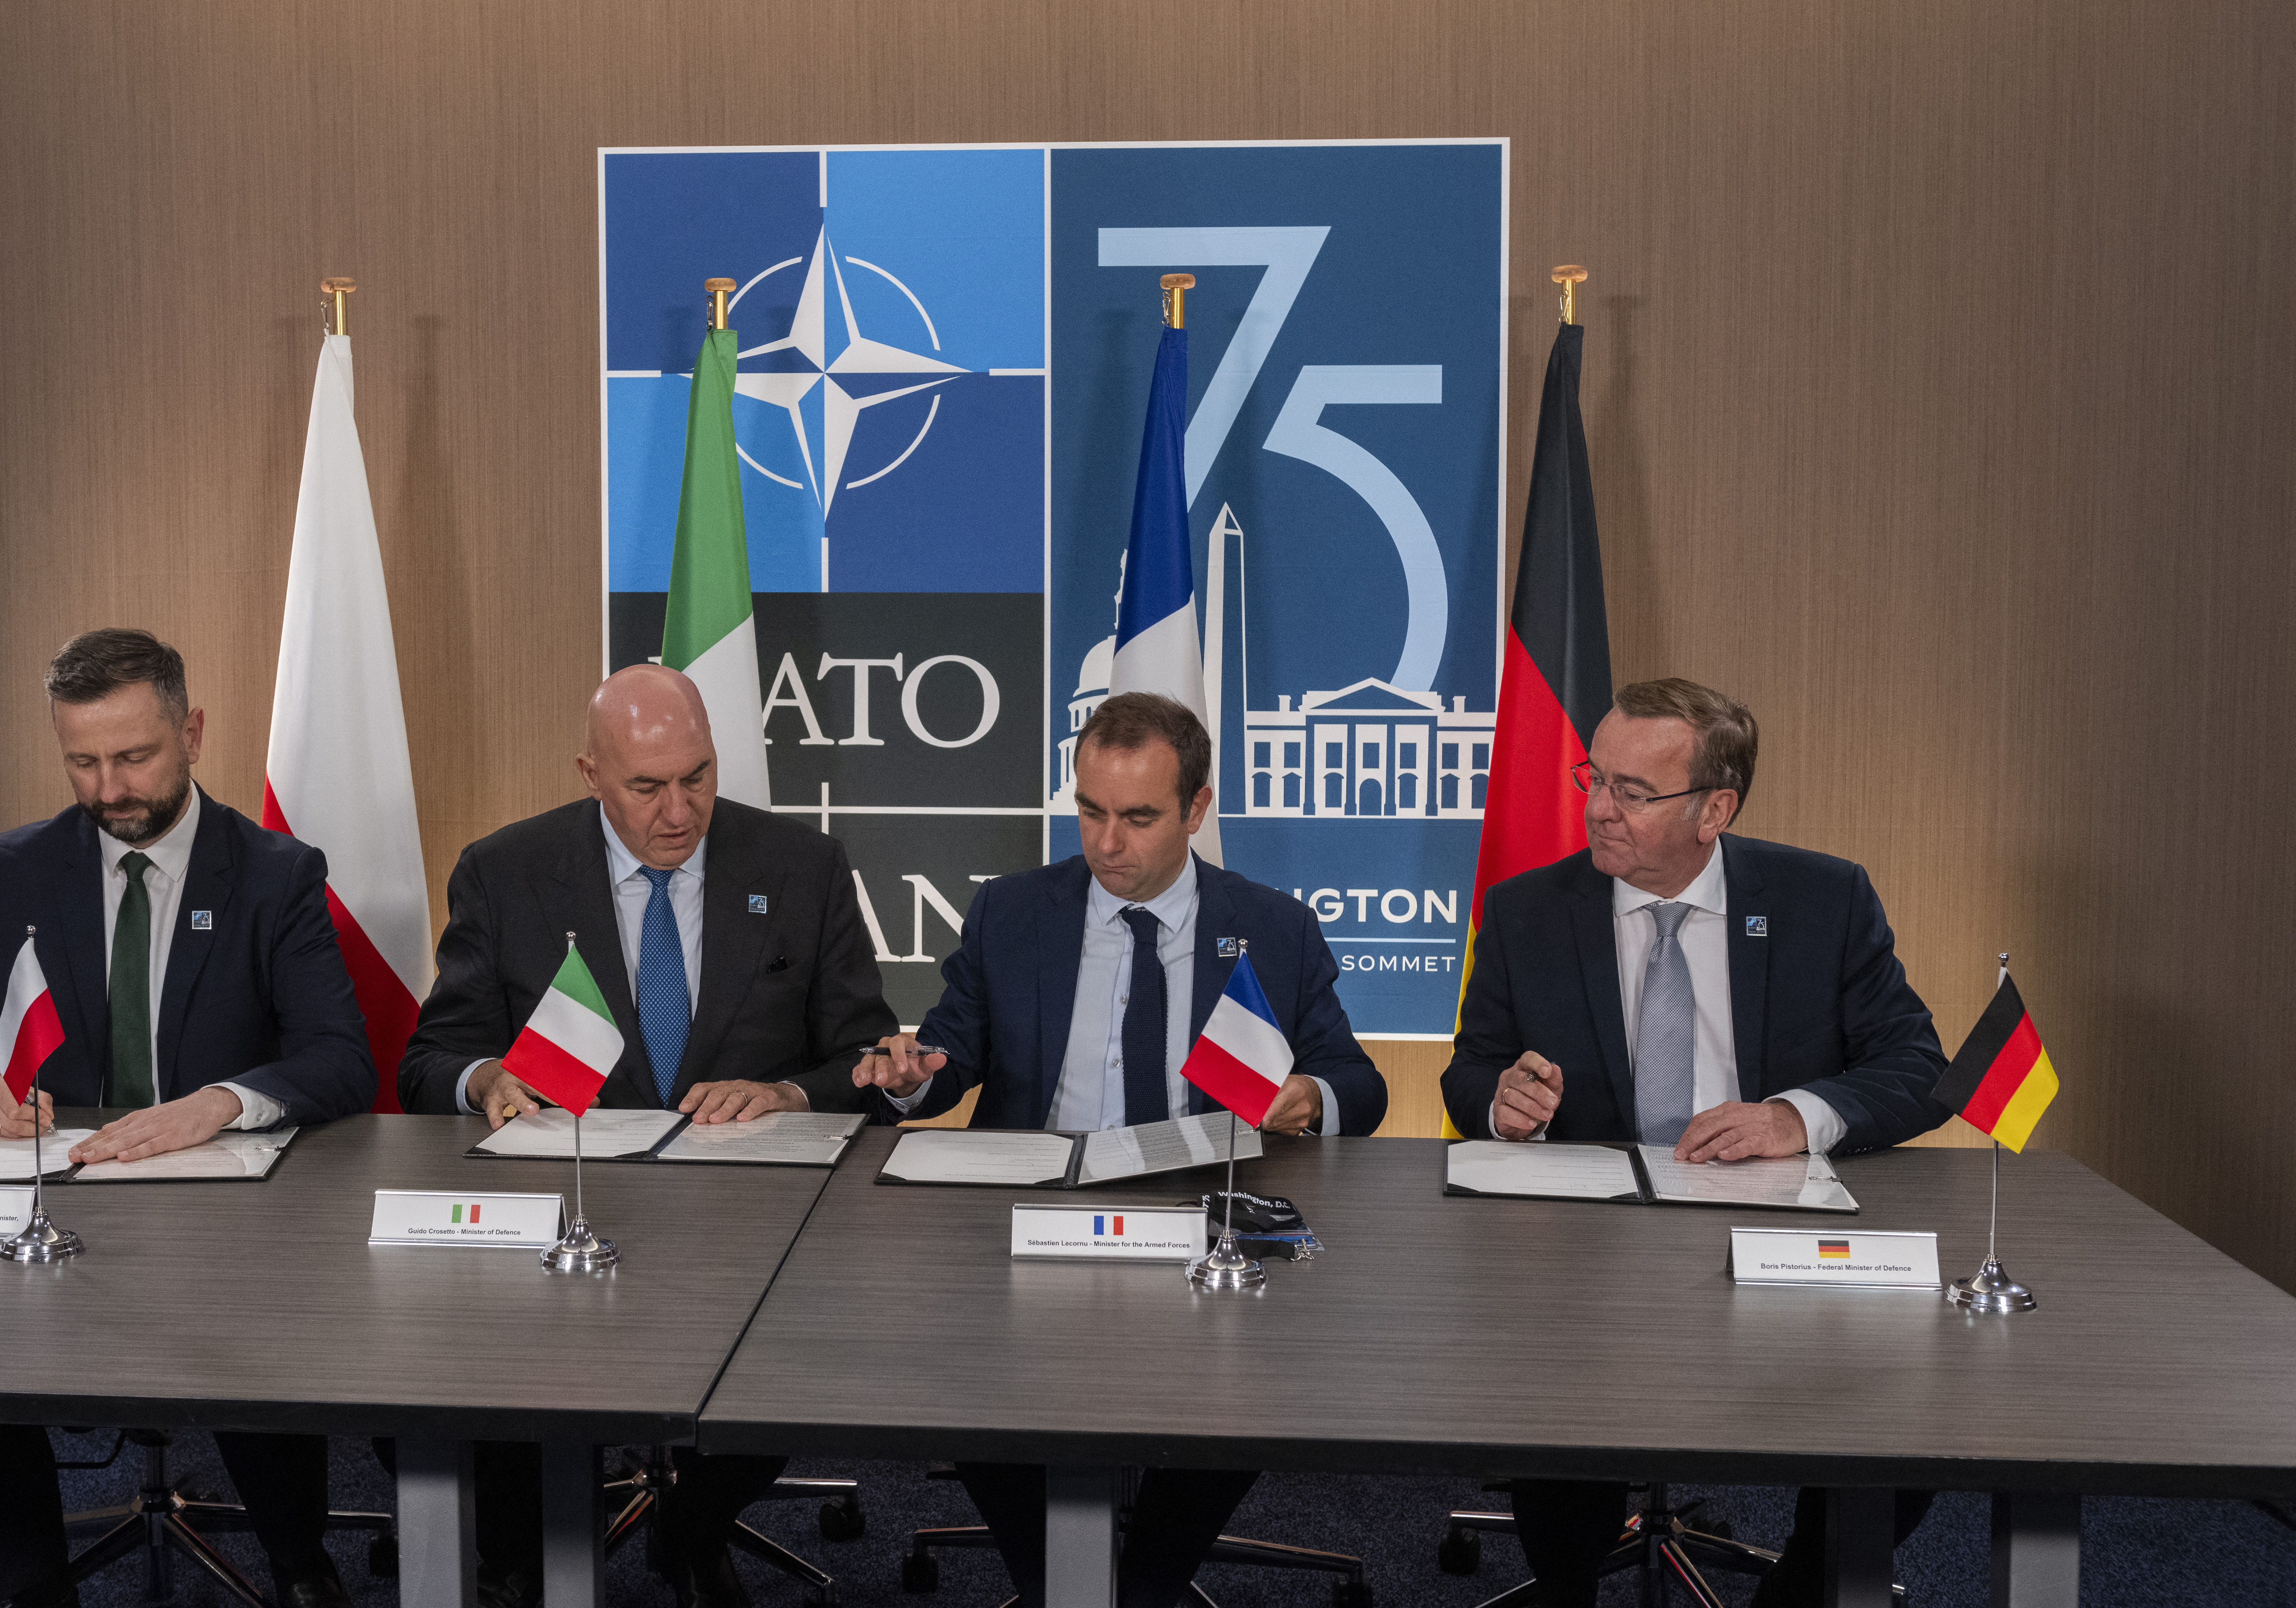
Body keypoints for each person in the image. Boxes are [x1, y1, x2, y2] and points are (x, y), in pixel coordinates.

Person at [0, 629, 377, 1608]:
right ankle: (31, 1586)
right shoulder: (18, 867)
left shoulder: (274, 874)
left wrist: (222, 1104)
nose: (108, 790)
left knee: (256, 1333)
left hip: (226, 1223)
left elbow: (340, 1059)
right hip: (57, 1211)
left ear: (192, 734)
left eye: (133, 757)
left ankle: (300, 1567)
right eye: (83, 762)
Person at [858, 690, 1386, 1608]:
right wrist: (910, 1077)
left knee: (1258, 1371)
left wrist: (1312, 1096)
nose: (1109, 842)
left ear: (1197, 809)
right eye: (1092, 812)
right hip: (1037, 1211)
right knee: (964, 1362)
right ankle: (1048, 1570)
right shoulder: (1013, 913)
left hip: (1205, 1209)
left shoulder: (1273, 926)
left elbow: (1361, 1085)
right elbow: (949, 1058)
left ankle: (1149, 1575)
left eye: (1139, 817)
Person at [396, 663, 898, 1608]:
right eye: (646, 787)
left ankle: (692, 1526)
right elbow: (430, 1062)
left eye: (698, 777)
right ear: (591, 774)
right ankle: (528, 1554)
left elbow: (862, 1058)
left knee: (797, 1346)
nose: (680, 811)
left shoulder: (802, 867)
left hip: (748, 1226)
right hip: (564, 1219)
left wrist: (788, 1091)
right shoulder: (505, 873)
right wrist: (488, 1079)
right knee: (472, 1378)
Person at [1440, 677, 1947, 1608]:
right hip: (1590, 1255)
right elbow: (1471, 1072)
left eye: (1633, 792)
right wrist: (1502, 1102)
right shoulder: (1528, 912)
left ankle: (1798, 1590)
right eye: (1594, 778)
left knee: (1902, 1416)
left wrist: (1794, 1117)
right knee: (1555, 1407)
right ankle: (1567, 1583)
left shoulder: (1822, 900)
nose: (1597, 809)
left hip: (1779, 1233)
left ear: (1717, 809)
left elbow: (1917, 1067)